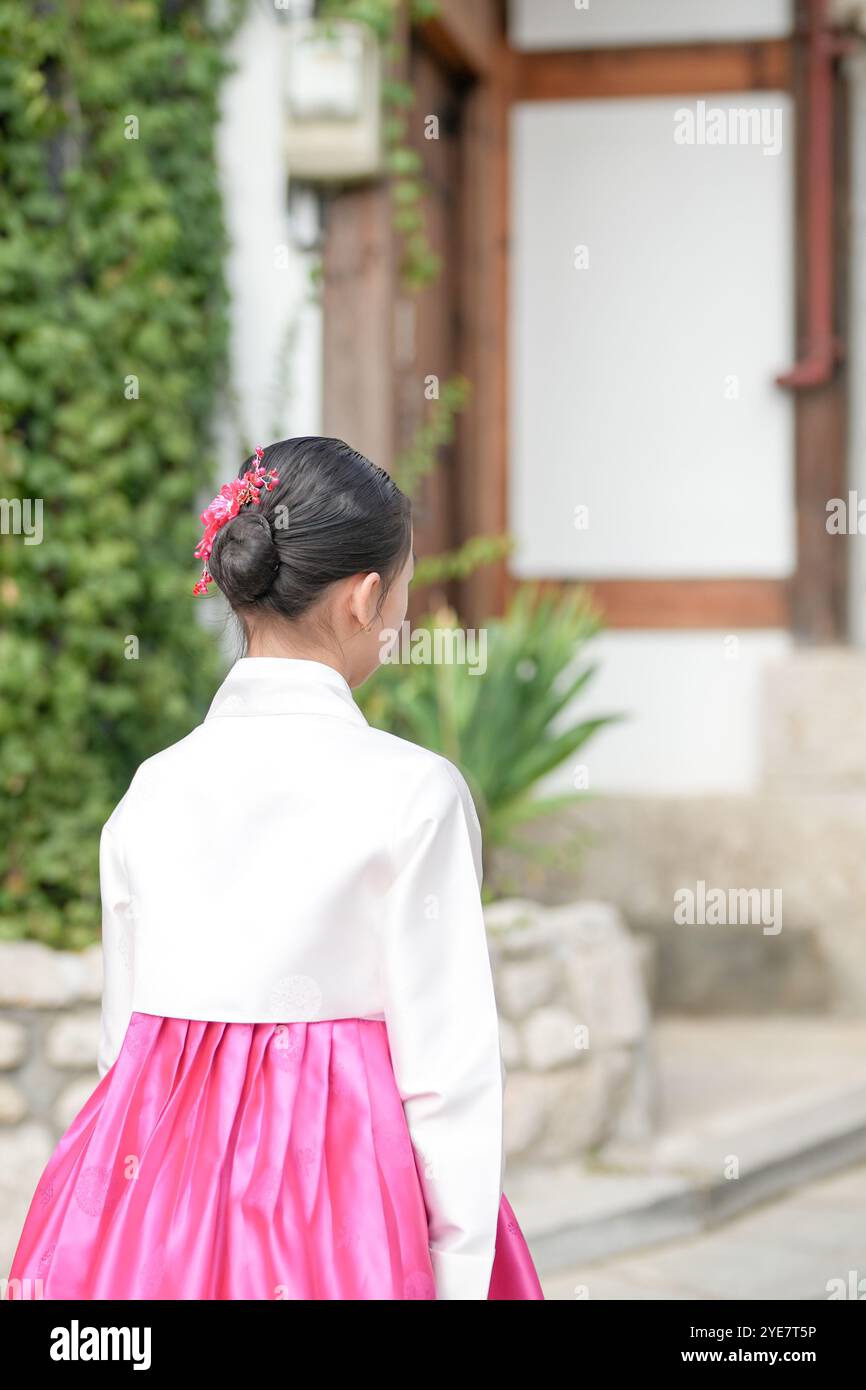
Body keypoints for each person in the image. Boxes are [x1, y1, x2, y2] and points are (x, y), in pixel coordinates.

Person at [5, 436, 544, 1301]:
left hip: (154, 1221)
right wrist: (459, 1271)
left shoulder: (153, 789)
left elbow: (125, 1051)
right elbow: (448, 1081)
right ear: (366, 599)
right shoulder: (414, 795)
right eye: (402, 596)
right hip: (343, 1218)